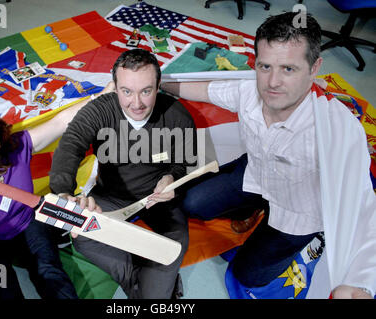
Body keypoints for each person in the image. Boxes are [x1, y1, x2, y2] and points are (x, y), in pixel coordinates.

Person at [161, 12, 375, 299]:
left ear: (315, 68)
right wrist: (157, 82)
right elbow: (205, 90)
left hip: (298, 213)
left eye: (289, 69)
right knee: (191, 202)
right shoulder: (250, 90)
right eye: (265, 66)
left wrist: (361, 283)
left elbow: (364, 206)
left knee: (247, 274)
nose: (272, 82)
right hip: (256, 175)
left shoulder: (337, 129)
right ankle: (252, 209)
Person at [0, 85, 112, 299]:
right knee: (3, 290)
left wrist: (104, 94)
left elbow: (60, 122)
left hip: (26, 222)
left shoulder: (15, 147)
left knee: (50, 272)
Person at [49, 48, 197, 299]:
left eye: (146, 91)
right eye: (126, 91)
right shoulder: (100, 109)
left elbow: (186, 162)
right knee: (83, 235)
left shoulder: (177, 115)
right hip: (112, 195)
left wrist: (173, 178)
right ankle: (140, 281)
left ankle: (149, 286)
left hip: (158, 199)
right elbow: (71, 143)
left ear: (159, 86)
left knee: (174, 244)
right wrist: (64, 192)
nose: (136, 103)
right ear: (114, 86)